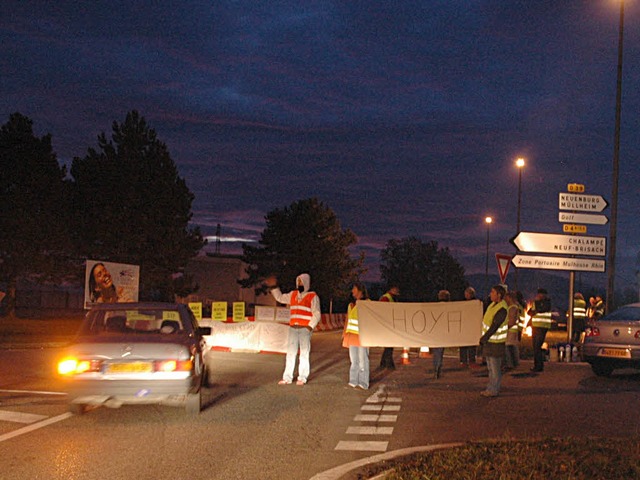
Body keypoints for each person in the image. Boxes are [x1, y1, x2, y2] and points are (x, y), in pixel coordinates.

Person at [265, 273, 321, 385]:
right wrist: (274, 287)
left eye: (301, 281)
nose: (299, 284)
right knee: (290, 353)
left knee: (304, 353)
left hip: (305, 329)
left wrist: (309, 327)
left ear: (306, 282)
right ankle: (287, 378)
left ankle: (302, 377)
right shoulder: (293, 294)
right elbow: (280, 298)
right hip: (293, 328)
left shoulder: (313, 296)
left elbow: (317, 313)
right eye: (298, 281)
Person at [478, 285, 508, 397]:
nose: (490, 294)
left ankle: (493, 390)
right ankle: (490, 388)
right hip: (490, 343)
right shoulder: (492, 305)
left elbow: (495, 326)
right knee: (491, 368)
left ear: (499, 295)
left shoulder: (502, 309)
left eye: (492, 292)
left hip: (496, 344)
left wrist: (484, 337)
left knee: (495, 369)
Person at [343, 282, 370, 390]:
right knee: (354, 360)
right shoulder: (351, 305)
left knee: (363, 360)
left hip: (363, 337)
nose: (352, 291)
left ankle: (363, 382)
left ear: (360, 290)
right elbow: (347, 320)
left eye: (354, 289)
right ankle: (353, 380)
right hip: (352, 336)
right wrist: (344, 334)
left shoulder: (367, 303)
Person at [527, 288, 552, 373]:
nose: (538, 296)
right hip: (535, 326)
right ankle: (537, 365)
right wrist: (534, 311)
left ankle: (539, 366)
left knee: (537, 346)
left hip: (542, 327)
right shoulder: (535, 302)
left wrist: (535, 310)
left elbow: (541, 309)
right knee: (535, 347)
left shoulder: (546, 302)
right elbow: (529, 312)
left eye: (539, 294)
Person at [378, 285, 399, 370]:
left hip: (389, 325)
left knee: (388, 345)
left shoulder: (391, 298)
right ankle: (389, 364)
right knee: (389, 345)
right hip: (386, 325)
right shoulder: (385, 298)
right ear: (392, 289)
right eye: (396, 289)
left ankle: (383, 363)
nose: (397, 291)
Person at [430, 289, 449, 379]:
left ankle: (436, 368)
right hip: (443, 332)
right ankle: (438, 368)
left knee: (436, 352)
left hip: (436, 333)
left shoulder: (435, 307)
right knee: (440, 352)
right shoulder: (450, 307)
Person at [459, 286, 477, 367]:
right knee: (463, 344)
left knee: (472, 345)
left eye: (467, 294)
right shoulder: (463, 303)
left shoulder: (476, 303)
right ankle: (463, 360)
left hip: (472, 327)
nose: (466, 295)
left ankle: (472, 360)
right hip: (464, 327)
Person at [504, 291, 521, 370]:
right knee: (512, 346)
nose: (505, 299)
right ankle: (514, 363)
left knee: (508, 346)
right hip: (513, 330)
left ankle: (510, 364)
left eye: (506, 297)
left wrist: (505, 327)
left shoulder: (512, 307)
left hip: (510, 330)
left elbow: (511, 320)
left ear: (510, 298)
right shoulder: (514, 306)